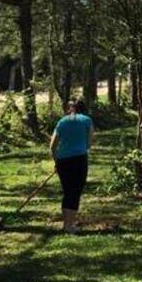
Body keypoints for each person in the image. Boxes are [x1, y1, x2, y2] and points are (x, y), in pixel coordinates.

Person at [48, 98, 93, 234]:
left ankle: (66, 224)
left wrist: (57, 162)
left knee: (68, 192)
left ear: (70, 108)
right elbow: (89, 143)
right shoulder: (87, 120)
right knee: (75, 191)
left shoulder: (62, 121)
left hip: (63, 160)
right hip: (79, 159)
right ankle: (69, 226)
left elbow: (52, 146)